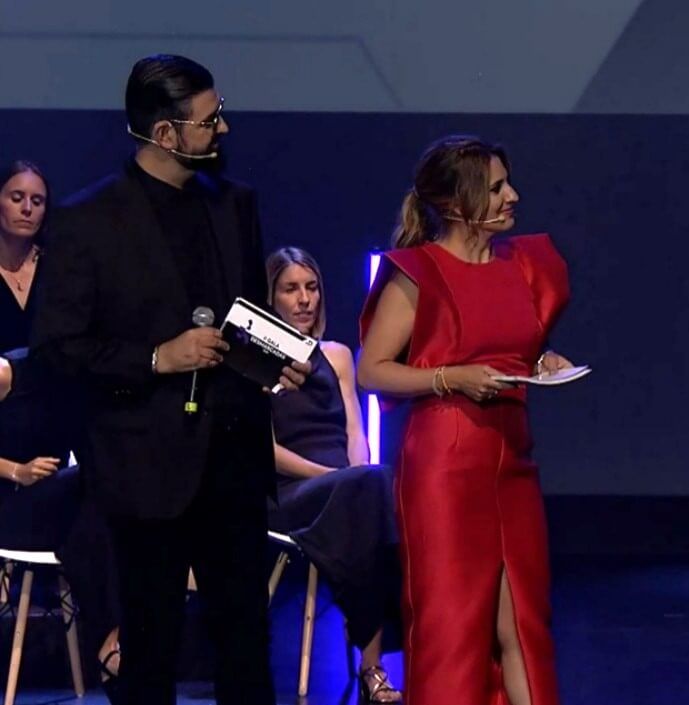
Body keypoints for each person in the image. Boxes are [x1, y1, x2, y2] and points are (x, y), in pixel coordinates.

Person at [30, 54, 306, 705]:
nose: (224, 129)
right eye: (210, 121)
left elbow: (242, 318)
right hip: (144, 462)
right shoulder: (89, 220)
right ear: (164, 134)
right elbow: (58, 350)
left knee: (244, 637)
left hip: (233, 454)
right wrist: (158, 357)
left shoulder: (235, 203)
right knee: (149, 643)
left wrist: (275, 358)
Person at [358, 134, 574, 705]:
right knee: (453, 627)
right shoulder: (419, 272)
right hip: (444, 471)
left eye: (508, 183)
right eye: (496, 187)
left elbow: (512, 350)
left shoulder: (524, 266)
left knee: (522, 624)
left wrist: (541, 362)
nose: (512, 196)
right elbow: (372, 371)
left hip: (512, 461)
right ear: (454, 205)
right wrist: (451, 377)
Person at [0, 160, 121, 689]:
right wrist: (14, 470)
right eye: (16, 197)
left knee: (108, 492)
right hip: (10, 468)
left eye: (38, 200)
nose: (27, 208)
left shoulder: (57, 273)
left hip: (55, 446)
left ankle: (113, 640)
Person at [265, 246, 402, 703]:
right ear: (272, 298)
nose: (305, 299)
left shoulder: (338, 355)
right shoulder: (256, 365)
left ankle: (373, 663)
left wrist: (352, 474)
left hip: (344, 491)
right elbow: (265, 452)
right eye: (290, 289)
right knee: (366, 495)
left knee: (372, 486)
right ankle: (373, 668)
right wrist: (333, 477)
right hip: (292, 491)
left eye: (312, 287)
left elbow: (354, 430)